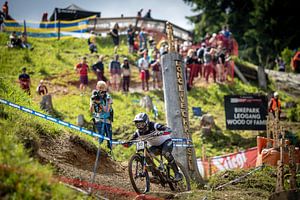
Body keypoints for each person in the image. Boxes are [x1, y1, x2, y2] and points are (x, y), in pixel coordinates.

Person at [126, 113, 183, 181]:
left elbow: (169, 130)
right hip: (155, 146)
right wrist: (126, 143)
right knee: (147, 155)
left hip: (166, 142)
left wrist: (162, 132)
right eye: (138, 125)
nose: (140, 126)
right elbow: (130, 142)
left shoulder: (154, 125)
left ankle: (177, 173)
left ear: (146, 122)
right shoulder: (138, 132)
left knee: (165, 153)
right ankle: (155, 174)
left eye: (142, 124)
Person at [90, 81, 113, 152]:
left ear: (105, 89)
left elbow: (107, 110)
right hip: (98, 120)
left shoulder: (108, 97)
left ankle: (110, 152)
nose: (101, 90)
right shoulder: (94, 96)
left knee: (109, 138)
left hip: (107, 120)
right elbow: (91, 110)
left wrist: (100, 104)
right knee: (100, 137)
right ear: (97, 87)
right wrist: (93, 103)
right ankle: (99, 151)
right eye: (99, 88)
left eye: (103, 88)